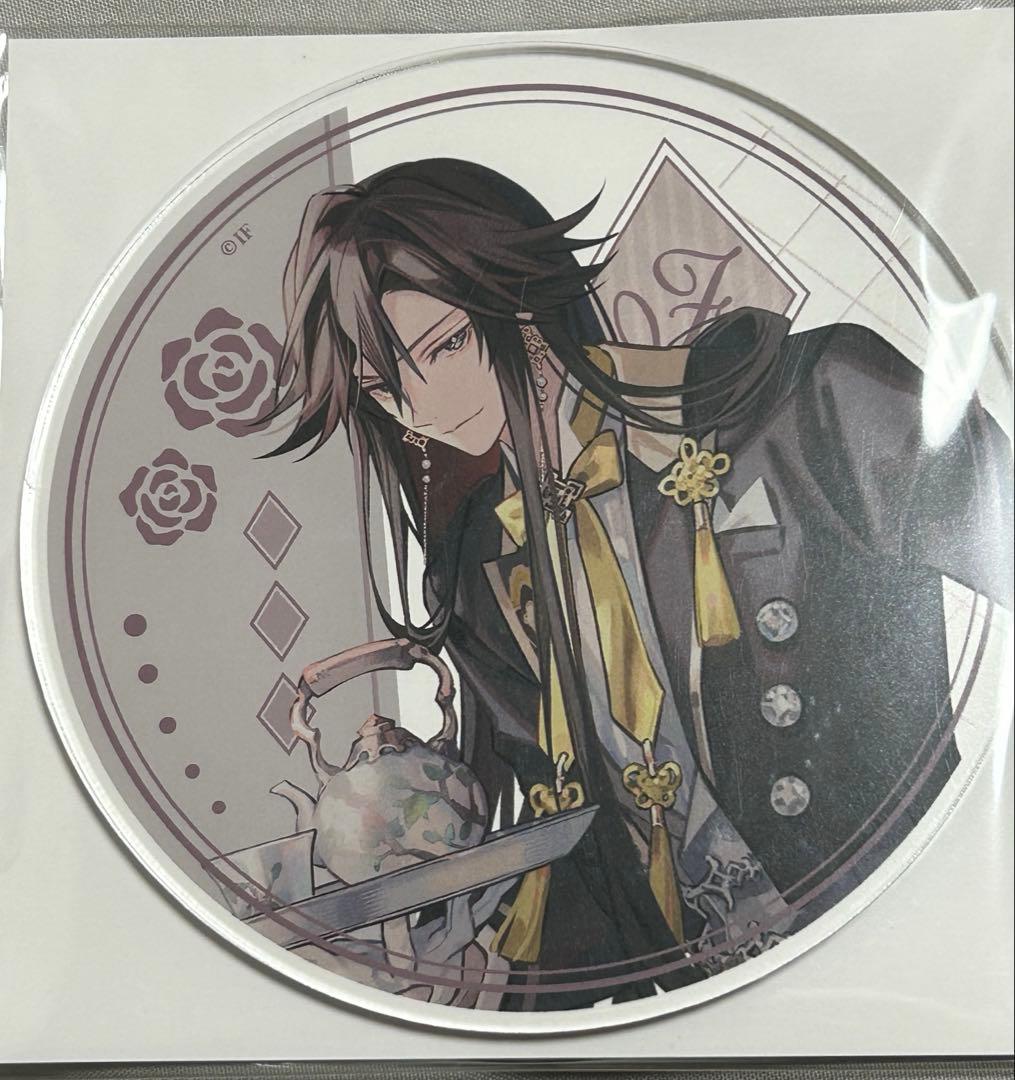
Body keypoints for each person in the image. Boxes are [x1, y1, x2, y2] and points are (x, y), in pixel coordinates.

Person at [263, 157, 1012, 1011]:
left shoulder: (807, 399)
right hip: (705, 1007)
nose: (423, 405)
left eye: (447, 345)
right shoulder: (478, 563)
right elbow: (577, 845)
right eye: (383, 388)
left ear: (519, 300)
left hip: (925, 942)